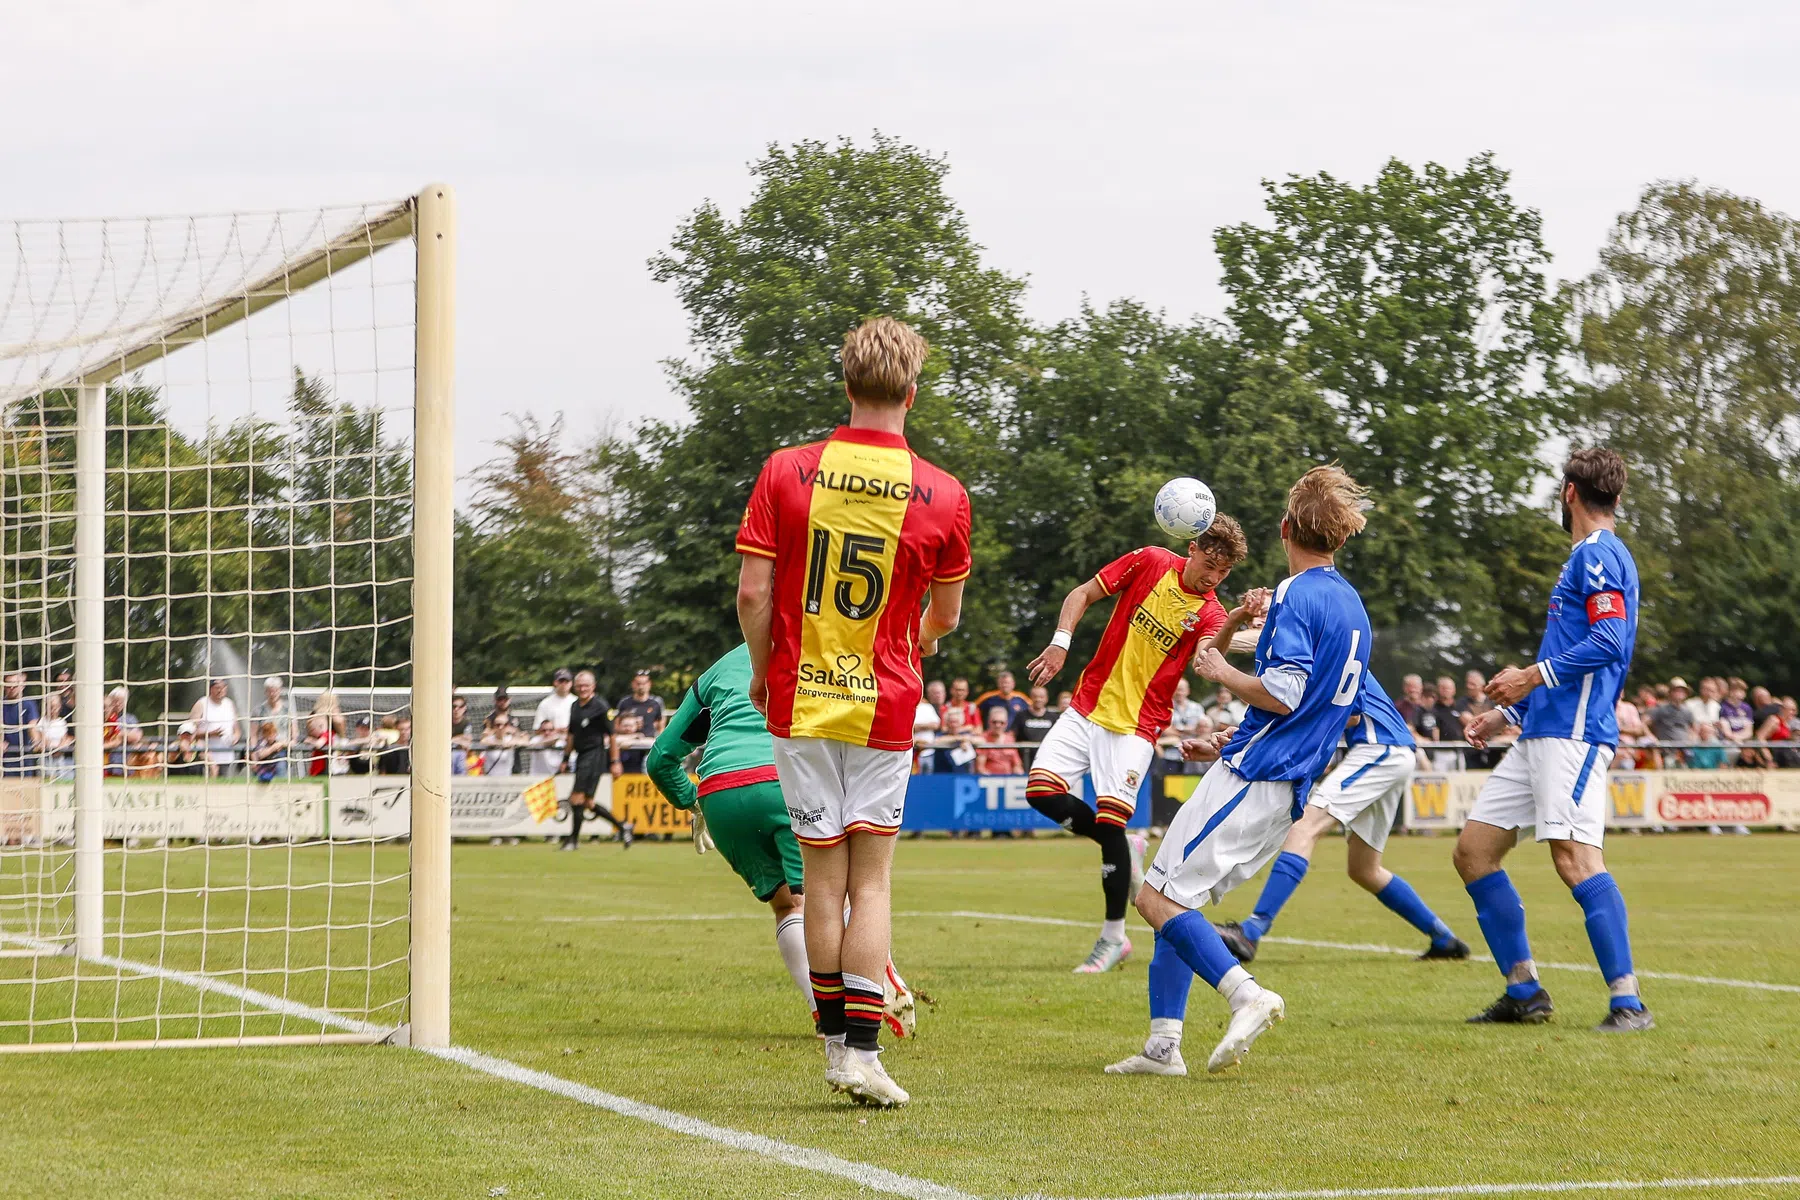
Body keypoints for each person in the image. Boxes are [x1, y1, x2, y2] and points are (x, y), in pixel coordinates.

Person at [735, 315, 969, 1108]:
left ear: (845, 385)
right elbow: (946, 617)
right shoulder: (944, 493)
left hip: (801, 697)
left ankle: (837, 1048)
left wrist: (766, 674)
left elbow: (752, 593)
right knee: (871, 884)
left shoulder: (787, 471)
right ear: (911, 391)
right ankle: (863, 1055)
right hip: (886, 703)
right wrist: (920, 638)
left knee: (823, 884)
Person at [1106, 465, 1373, 1079]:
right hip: (1280, 773)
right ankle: (1162, 1046)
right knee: (1181, 897)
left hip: (1261, 776)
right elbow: (1315, 703)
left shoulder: (1297, 595)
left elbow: (1281, 693)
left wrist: (1223, 676)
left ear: (1286, 527)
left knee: (1154, 897)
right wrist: (1228, 737)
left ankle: (1245, 994)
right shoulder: (1350, 604)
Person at [1457, 447, 1652, 1032]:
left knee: (1575, 859)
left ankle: (1628, 1003)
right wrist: (1510, 713)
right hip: (1542, 730)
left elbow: (1609, 642)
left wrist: (1528, 677)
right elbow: (1576, 657)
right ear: (1615, 497)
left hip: (1573, 736)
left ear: (1569, 493)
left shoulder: (1596, 556)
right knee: (1473, 851)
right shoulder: (1590, 557)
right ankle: (1524, 992)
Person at [647, 643, 917, 1037]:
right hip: (789, 778)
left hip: (720, 790)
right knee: (832, 895)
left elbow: (661, 759)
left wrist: (694, 803)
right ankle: (869, 987)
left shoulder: (718, 670)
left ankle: (824, 1014)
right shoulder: (819, 642)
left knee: (787, 904)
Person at [1024, 516, 1253, 974]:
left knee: (1109, 817)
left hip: (1136, 727)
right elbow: (1081, 594)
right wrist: (1060, 643)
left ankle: (1113, 938)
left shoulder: (1208, 612)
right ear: (1192, 548)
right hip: (1087, 705)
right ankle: (1123, 846)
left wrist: (1235, 620)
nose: (1213, 577)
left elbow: (1210, 657)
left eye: (1223, 573)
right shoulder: (1149, 560)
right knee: (1040, 793)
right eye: (1209, 564)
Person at [1213, 673, 1470, 964]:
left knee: (1304, 828)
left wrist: (1217, 648)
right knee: (1364, 869)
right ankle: (1444, 938)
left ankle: (1252, 930)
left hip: (1379, 748)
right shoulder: (1319, 649)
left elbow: (1351, 717)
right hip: (1389, 751)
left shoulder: (1319, 645)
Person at [563, 669, 630, 849]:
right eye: (579, 686)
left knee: (576, 798)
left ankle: (573, 841)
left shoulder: (600, 706)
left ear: (593, 686)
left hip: (594, 755)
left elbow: (613, 736)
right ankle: (624, 827)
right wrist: (565, 758)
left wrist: (615, 761)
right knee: (587, 803)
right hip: (581, 755)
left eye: (585, 685)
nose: (582, 689)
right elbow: (570, 734)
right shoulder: (575, 706)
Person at [189, 679, 240, 777]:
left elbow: (237, 729)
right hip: (205, 756)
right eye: (217, 688)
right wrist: (210, 734)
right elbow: (189, 731)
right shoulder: (201, 704)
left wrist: (236, 737)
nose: (221, 690)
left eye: (223, 687)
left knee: (225, 788)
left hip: (226, 755)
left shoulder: (229, 704)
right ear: (211, 689)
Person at [252, 676, 296, 779]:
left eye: (275, 691)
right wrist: (253, 755)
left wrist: (280, 744)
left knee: (281, 782)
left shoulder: (288, 710)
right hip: (262, 753)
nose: (272, 694)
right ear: (265, 692)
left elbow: (294, 738)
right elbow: (253, 736)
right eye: (269, 691)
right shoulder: (258, 711)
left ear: (280, 690)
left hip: (281, 752)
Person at [1646, 679, 1694, 768]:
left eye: (1682, 691)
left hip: (1684, 752)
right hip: (1667, 752)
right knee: (1669, 764)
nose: (1680, 693)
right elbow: (1644, 723)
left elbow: (1693, 728)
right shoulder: (1661, 709)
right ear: (1671, 692)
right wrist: (1651, 737)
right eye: (1677, 691)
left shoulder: (1688, 711)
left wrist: (1691, 738)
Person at [2, 671, 41, 777]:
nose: (12, 687)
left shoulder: (29, 704)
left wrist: (36, 741)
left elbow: (32, 726)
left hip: (25, 755)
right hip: (5, 756)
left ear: (22, 685)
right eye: (9, 684)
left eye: (15, 684)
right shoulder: (2, 705)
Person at [1013, 686, 1057, 772]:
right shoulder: (1021, 716)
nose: (1038, 699)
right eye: (1035, 696)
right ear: (1030, 697)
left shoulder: (1053, 717)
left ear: (1046, 698)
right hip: (1025, 761)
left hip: (1048, 761)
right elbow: (1013, 735)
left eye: (1041, 697)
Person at [103, 687, 143, 776]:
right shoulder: (102, 718)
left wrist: (121, 734)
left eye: (122, 701)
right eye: (115, 701)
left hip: (123, 763)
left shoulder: (129, 719)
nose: (118, 704)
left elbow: (137, 736)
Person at [615, 671, 666, 736]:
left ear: (649, 684)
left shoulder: (657, 702)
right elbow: (616, 726)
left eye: (644, 683)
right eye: (638, 684)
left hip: (649, 741)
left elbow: (661, 726)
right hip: (628, 741)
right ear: (633, 684)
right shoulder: (624, 702)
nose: (641, 686)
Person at [976, 706, 1023, 775]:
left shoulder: (1010, 739)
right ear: (989, 722)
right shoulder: (983, 739)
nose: (998, 725)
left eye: (1002, 723)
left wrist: (1019, 775)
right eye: (994, 722)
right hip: (989, 780)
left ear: (1006, 724)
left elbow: (1017, 764)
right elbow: (980, 767)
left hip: (1009, 780)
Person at [37, 693, 72, 780]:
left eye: (56, 706)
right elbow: (43, 738)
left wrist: (60, 747)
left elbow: (65, 738)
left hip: (60, 757)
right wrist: (53, 748)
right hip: (47, 757)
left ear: (60, 706)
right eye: (51, 706)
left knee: (62, 778)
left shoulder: (62, 722)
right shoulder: (42, 721)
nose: (53, 709)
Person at [911, 683, 942, 773]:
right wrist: (926, 726)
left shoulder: (927, 707)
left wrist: (917, 727)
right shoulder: (906, 706)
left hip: (928, 751)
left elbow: (936, 725)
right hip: (912, 751)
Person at [450, 695, 474, 775]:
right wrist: (460, 738)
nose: (456, 709)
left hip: (461, 754)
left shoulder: (466, 723)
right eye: (454, 706)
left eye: (460, 707)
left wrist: (452, 740)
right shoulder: (445, 721)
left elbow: (467, 742)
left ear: (464, 708)